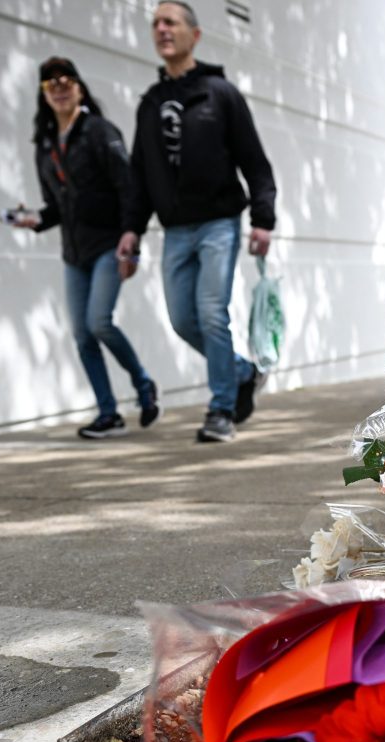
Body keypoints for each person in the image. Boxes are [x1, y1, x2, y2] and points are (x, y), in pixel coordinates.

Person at [115, 0, 276, 444]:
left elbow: (254, 162)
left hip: (219, 223)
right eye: (156, 24)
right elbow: (139, 174)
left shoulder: (219, 93)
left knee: (210, 313)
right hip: (175, 229)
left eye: (171, 22)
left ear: (195, 35)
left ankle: (221, 409)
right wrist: (131, 228)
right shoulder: (150, 103)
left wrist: (262, 218)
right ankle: (243, 372)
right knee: (183, 320)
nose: (162, 29)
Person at [14, 56, 160, 440]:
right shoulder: (44, 145)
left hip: (110, 244)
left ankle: (143, 384)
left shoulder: (98, 131)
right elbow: (55, 206)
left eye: (66, 81)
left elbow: (128, 186)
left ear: (79, 87)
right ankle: (108, 413)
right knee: (82, 334)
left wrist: (132, 237)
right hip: (73, 253)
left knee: (99, 322)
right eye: (50, 84)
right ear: (44, 95)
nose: (59, 88)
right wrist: (35, 219)